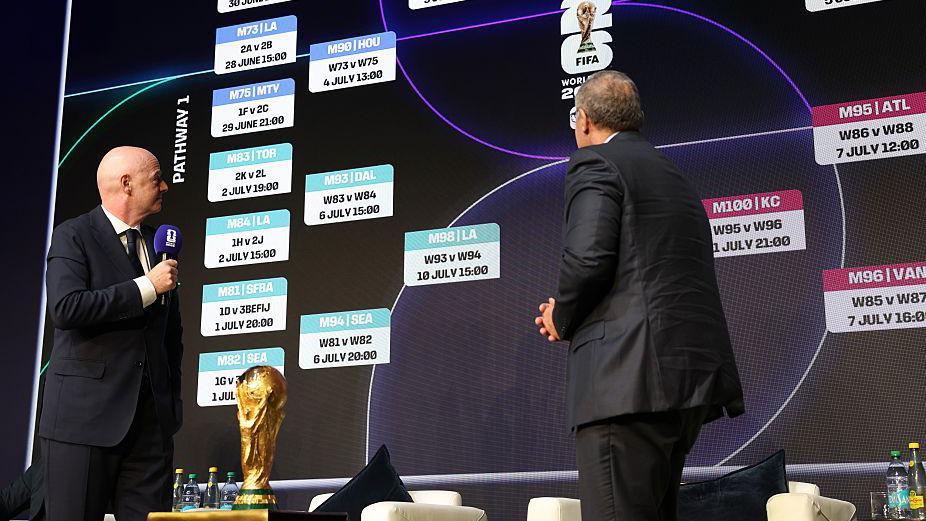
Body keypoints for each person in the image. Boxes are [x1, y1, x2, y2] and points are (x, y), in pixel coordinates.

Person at [534, 71, 745, 521]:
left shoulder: (594, 164)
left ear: (585, 120)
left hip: (624, 384)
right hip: (681, 387)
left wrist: (562, 317)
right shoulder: (675, 177)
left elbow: (589, 259)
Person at [39, 146, 183, 521]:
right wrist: (145, 287)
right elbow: (67, 308)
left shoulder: (158, 243)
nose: (165, 185)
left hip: (151, 428)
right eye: (156, 179)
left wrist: (171, 405)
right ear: (126, 185)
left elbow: (172, 336)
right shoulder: (74, 236)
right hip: (84, 422)